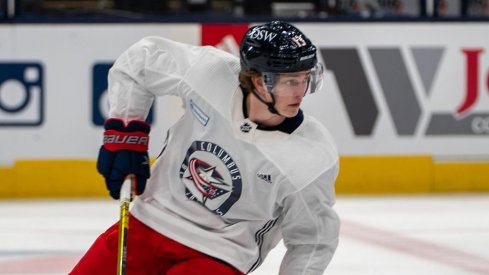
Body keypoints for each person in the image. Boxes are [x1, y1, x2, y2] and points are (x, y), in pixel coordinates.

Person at [70, 21, 340, 275]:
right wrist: (126, 133)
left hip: (220, 255)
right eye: (291, 81)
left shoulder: (311, 156)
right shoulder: (211, 74)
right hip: (149, 223)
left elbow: (312, 242)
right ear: (259, 81)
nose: (301, 92)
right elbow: (141, 60)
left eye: (306, 78)